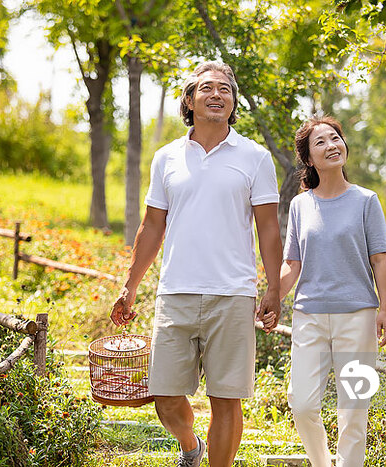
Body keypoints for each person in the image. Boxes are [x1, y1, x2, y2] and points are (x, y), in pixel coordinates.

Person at [110, 61, 282, 467]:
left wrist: (273, 288)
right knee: (166, 398)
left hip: (233, 295)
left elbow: (269, 228)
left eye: (225, 88)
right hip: (175, 292)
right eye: (207, 88)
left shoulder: (255, 157)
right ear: (189, 100)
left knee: (226, 397)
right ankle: (191, 447)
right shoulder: (166, 157)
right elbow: (152, 227)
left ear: (234, 101)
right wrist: (130, 285)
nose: (218, 94)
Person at [279, 116, 386, 467]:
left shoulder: (366, 200)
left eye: (335, 138)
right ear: (309, 159)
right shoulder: (301, 205)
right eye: (321, 142)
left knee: (354, 409)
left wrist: (385, 309)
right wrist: (269, 297)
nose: (331, 145)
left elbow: (379, 261)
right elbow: (292, 265)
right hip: (309, 316)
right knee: (301, 403)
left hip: (357, 316)